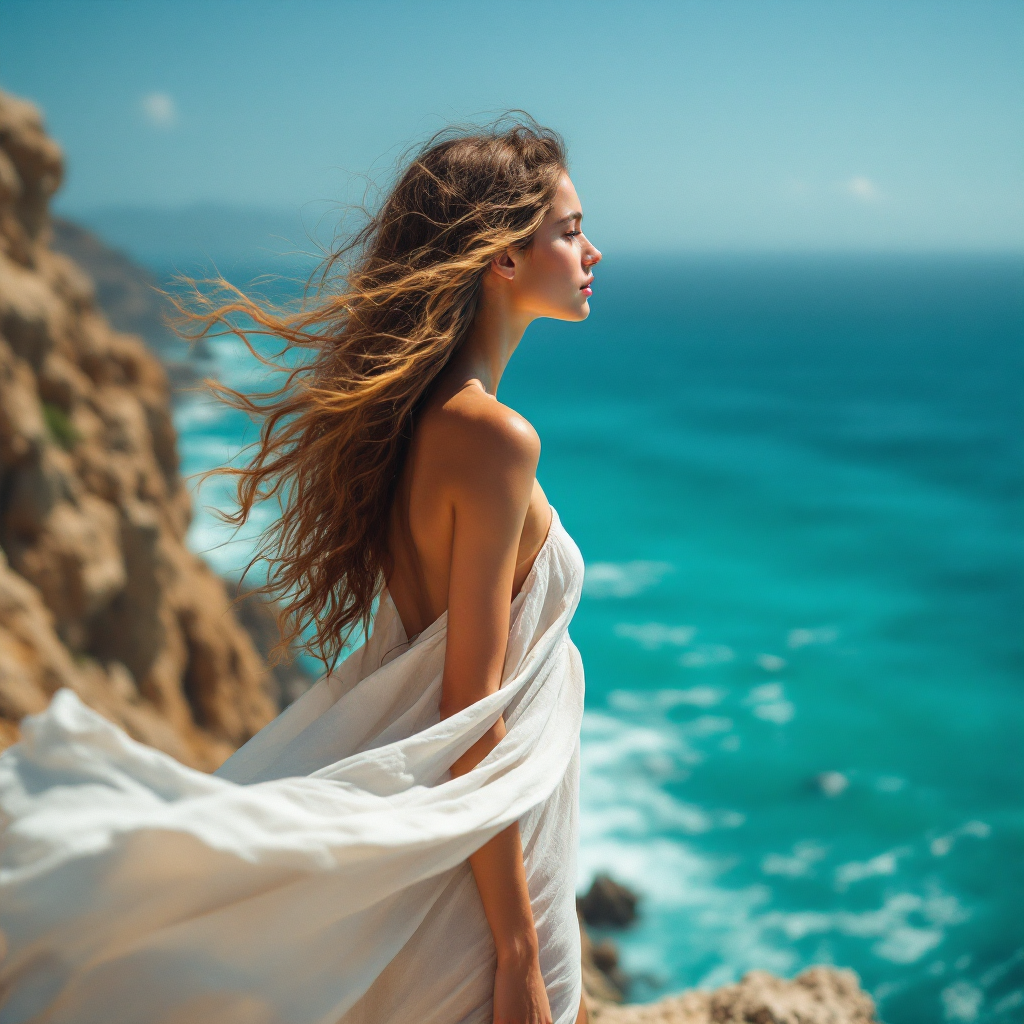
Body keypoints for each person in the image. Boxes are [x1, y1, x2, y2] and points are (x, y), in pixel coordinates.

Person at [0, 117, 601, 1024]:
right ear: (502, 259)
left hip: (458, 844)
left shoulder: (419, 425)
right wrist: (516, 943)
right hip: (476, 862)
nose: (593, 250)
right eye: (568, 229)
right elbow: (469, 711)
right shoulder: (491, 439)